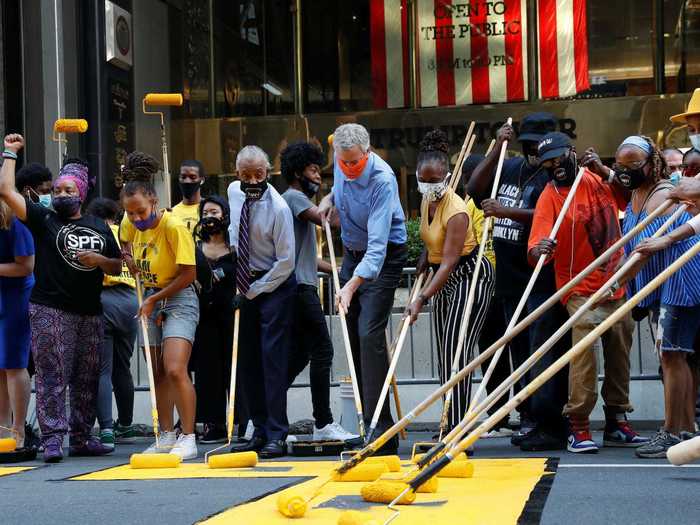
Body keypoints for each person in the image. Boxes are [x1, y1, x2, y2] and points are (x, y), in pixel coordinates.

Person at [0, 135, 122, 462]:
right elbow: (7, 192)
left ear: (81, 192)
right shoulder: (44, 219)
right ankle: (53, 439)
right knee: (53, 375)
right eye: (57, 191)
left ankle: (82, 438)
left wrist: (101, 262)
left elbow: (119, 263)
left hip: (90, 311)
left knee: (87, 377)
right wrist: (10, 153)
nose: (61, 195)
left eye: (69, 190)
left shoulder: (99, 225)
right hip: (49, 308)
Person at [528, 132, 646, 453]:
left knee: (620, 349)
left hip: (615, 282)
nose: (555, 166)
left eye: (558, 157)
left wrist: (604, 170)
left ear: (572, 153)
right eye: (547, 163)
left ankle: (617, 420)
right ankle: (578, 425)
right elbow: (535, 249)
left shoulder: (594, 179)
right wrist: (541, 248)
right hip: (578, 286)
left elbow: (630, 195)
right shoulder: (549, 197)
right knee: (583, 355)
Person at [467, 114, 571, 451]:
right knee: (518, 351)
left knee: (539, 352)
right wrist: (498, 146)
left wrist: (506, 212)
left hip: (540, 279)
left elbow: (551, 215)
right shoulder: (509, 168)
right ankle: (528, 414)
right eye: (524, 142)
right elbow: (474, 188)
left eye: (534, 143)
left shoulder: (554, 174)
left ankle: (545, 419)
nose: (529, 149)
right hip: (510, 279)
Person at [318, 123, 407, 455]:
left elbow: (378, 249)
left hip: (382, 258)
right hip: (353, 252)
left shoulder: (383, 180)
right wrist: (330, 200)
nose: (349, 169)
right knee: (352, 332)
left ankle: (382, 433)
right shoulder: (342, 165)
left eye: (355, 163)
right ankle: (368, 421)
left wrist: (352, 285)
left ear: (367, 154)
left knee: (370, 334)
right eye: (343, 163)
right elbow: (338, 190)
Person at [612, 135, 700, 458]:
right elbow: (632, 247)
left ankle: (672, 432)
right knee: (677, 356)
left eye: (633, 165)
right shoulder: (635, 193)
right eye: (620, 165)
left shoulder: (661, 195)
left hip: (680, 283)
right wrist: (616, 278)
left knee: (671, 356)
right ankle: (688, 430)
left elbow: (643, 254)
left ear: (651, 164)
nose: (625, 171)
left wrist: (618, 281)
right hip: (662, 287)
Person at [405, 130, 494, 433]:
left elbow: (450, 260)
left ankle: (457, 426)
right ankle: (449, 418)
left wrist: (421, 298)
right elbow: (433, 245)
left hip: (469, 276)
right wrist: (423, 261)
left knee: (458, 348)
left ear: (446, 176)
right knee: (445, 350)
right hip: (443, 276)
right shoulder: (425, 202)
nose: (429, 185)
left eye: (435, 180)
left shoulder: (456, 210)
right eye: (423, 179)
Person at [119, 151, 199, 460]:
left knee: (175, 368)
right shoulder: (129, 221)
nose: (137, 219)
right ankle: (166, 434)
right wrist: (127, 257)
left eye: (141, 211)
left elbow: (189, 273)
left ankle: (188, 436)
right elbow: (124, 241)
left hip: (178, 295)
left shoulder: (173, 226)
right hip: (149, 295)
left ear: (154, 201)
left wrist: (154, 298)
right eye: (131, 214)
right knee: (156, 372)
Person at [280, 141, 357, 442]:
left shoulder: (293, 200)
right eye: (314, 170)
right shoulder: (294, 198)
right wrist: (344, 190)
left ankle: (263, 412)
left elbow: (307, 256)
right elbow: (330, 220)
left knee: (299, 356)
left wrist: (335, 271)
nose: (317, 177)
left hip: (302, 285)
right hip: (300, 290)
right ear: (299, 172)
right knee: (322, 350)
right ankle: (323, 422)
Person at [228, 145, 296, 459]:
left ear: (268, 173)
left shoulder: (279, 208)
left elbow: (286, 262)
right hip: (245, 279)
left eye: (259, 175)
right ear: (237, 174)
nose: (252, 181)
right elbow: (233, 229)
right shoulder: (233, 192)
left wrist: (254, 289)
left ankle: (277, 433)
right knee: (248, 360)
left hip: (274, 284)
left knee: (272, 359)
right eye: (246, 175)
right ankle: (258, 429)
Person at [461, 154, 513, 437]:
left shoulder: (498, 203)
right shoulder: (470, 205)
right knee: (492, 353)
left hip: (500, 286)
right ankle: (499, 414)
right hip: (483, 287)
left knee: (505, 352)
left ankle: (511, 414)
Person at [85, 198, 139, 449]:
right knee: (123, 367)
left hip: (103, 299)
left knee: (102, 369)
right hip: (131, 301)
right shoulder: (127, 234)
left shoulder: (95, 233)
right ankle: (126, 424)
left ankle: (106, 428)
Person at [191, 195, 236, 444]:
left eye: (215, 212)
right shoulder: (195, 248)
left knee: (235, 367)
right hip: (204, 318)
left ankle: (241, 420)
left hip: (232, 315)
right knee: (208, 371)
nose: (210, 217)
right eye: (205, 212)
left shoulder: (235, 247)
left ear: (225, 215)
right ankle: (213, 423)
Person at [0, 198, 34, 460]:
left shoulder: (15, 224)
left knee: (13, 362)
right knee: (1, 366)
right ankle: (2, 430)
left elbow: (25, 266)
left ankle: (18, 430)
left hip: (15, 296)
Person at [172, 160, 205, 233]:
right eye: (183, 177)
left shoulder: (209, 209)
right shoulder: (171, 213)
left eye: (192, 177)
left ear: (202, 180)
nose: (187, 181)